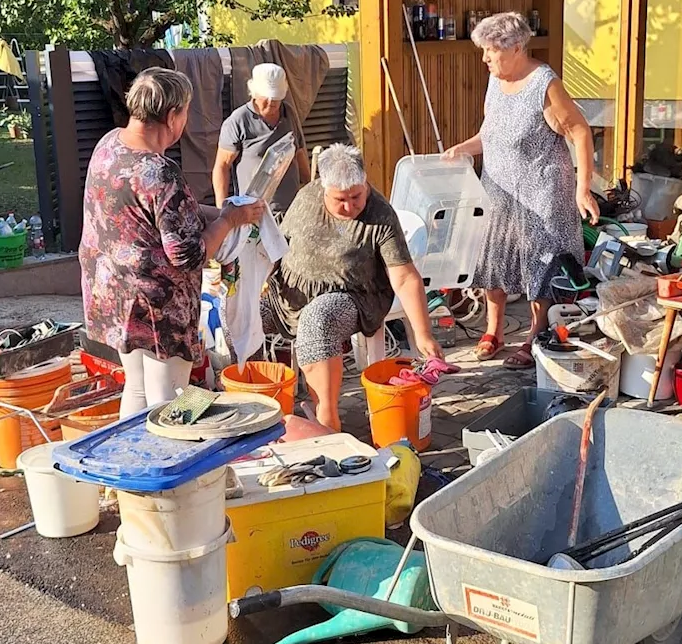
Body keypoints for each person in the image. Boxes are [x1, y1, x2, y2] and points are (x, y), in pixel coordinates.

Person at [80, 68, 263, 418]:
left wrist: (220, 212)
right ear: (171, 116)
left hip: (112, 293)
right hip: (154, 305)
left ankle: (134, 464)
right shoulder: (160, 171)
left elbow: (155, 213)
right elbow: (189, 255)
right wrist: (228, 220)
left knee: (135, 386)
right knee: (171, 399)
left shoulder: (109, 145)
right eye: (186, 112)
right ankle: (170, 467)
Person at [445, 12, 601, 369]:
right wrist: (460, 150)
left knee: (540, 265)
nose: (484, 58)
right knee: (494, 260)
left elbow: (579, 131)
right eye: (483, 50)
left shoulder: (544, 84)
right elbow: (491, 134)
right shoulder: (495, 81)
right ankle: (494, 331)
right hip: (498, 188)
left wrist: (583, 188)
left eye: (490, 50)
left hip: (541, 190)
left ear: (516, 48)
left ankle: (535, 335)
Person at [265, 144, 443, 432]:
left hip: (353, 296)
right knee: (240, 312)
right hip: (289, 293)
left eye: (356, 196)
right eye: (340, 199)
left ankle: (327, 419)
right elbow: (278, 245)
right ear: (324, 189)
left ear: (365, 181)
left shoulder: (380, 215)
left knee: (318, 319)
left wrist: (423, 333)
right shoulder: (306, 197)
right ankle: (255, 409)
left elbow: (404, 277)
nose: (349, 206)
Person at [213, 63, 312, 213]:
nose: (272, 102)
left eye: (276, 97)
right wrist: (221, 210)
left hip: (292, 208)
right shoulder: (238, 121)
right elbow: (222, 166)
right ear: (254, 92)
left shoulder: (289, 113)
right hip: (254, 211)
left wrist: (311, 188)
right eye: (266, 96)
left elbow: (299, 152)